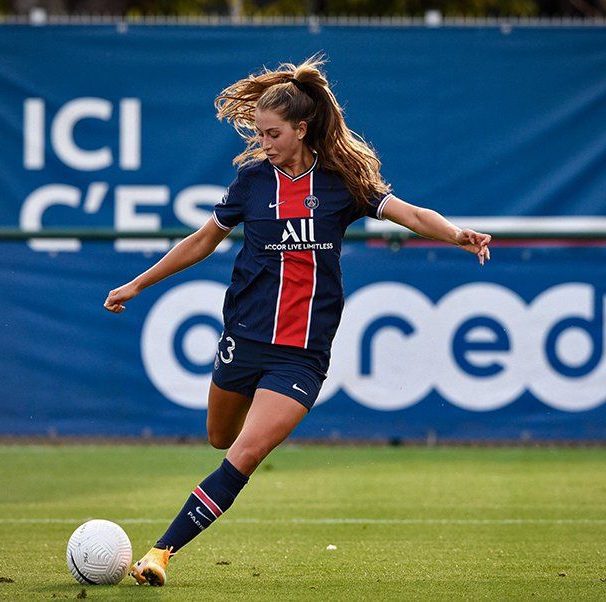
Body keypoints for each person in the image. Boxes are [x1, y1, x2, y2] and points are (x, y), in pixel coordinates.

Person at [103, 55, 492, 587]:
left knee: (246, 452)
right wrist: (138, 283)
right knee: (220, 438)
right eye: (259, 133)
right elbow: (201, 241)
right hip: (243, 337)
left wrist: (457, 234)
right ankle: (204, 491)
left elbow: (411, 215)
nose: (264, 142)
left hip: (302, 354)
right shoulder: (251, 182)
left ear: (301, 129)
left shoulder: (340, 183)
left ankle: (160, 553)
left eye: (273, 133)